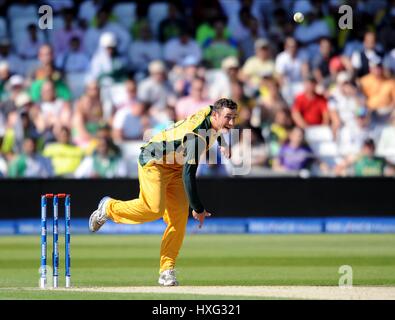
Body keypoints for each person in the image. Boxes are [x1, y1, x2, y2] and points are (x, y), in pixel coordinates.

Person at [88, 98, 238, 286]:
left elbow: (214, 114)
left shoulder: (210, 112)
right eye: (228, 118)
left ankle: (167, 270)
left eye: (234, 118)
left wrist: (222, 142)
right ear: (216, 115)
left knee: (178, 220)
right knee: (153, 209)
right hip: (154, 161)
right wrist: (198, 208)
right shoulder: (197, 137)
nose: (231, 123)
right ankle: (109, 208)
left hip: (175, 164)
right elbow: (189, 176)